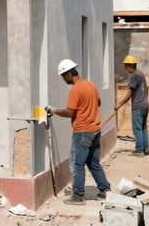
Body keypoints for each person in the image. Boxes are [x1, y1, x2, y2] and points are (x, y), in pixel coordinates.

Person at [46, 59, 111, 205]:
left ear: (69, 74)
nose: (64, 80)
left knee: (77, 164)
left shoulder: (75, 89)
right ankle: (105, 190)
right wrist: (88, 107)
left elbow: (70, 112)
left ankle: (77, 196)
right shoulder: (90, 85)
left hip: (82, 131)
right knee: (93, 162)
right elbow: (98, 102)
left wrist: (54, 110)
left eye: (63, 76)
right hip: (95, 130)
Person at [114, 55, 149, 156]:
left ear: (130, 66)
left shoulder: (134, 75)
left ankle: (139, 150)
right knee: (143, 127)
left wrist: (119, 104)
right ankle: (146, 148)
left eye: (126, 66)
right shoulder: (141, 74)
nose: (126, 69)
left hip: (138, 106)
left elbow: (130, 93)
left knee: (137, 128)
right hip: (145, 104)